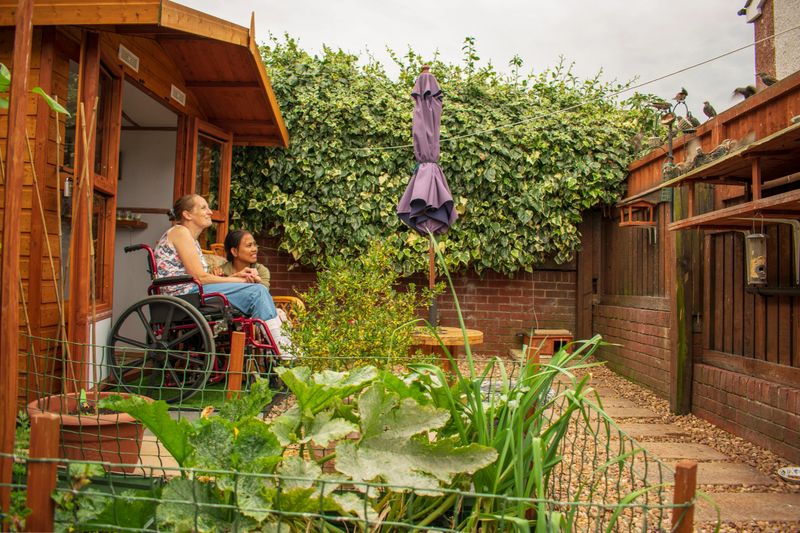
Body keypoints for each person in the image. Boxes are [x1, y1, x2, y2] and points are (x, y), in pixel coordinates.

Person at [154, 194, 292, 356]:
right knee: (257, 291)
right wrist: (238, 280)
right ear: (187, 214)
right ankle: (285, 352)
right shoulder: (181, 232)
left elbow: (200, 278)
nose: (210, 212)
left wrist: (239, 277)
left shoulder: (189, 238)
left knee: (255, 290)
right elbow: (200, 278)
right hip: (183, 296)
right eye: (203, 207)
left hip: (192, 292)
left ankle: (282, 349)